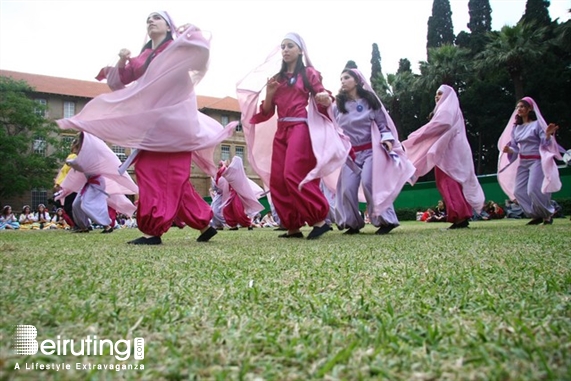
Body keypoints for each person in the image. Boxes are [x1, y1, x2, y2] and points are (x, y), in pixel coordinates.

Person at [58, 11, 235, 245]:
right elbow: (117, 82)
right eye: (148, 19)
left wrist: (189, 35)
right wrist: (122, 61)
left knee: (154, 170)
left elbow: (200, 59)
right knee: (173, 178)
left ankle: (153, 231)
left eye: (157, 18)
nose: (151, 21)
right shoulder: (144, 56)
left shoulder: (177, 47)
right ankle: (204, 223)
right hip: (155, 122)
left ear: (168, 26)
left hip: (174, 121)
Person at [235, 32, 351, 240]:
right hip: (281, 131)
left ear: (300, 50)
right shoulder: (277, 79)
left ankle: (319, 220)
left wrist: (324, 97)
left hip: (300, 127)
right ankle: (292, 226)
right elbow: (267, 112)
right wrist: (269, 93)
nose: (286, 50)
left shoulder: (308, 73)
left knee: (293, 174)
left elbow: (322, 95)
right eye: (283, 46)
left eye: (290, 46)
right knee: (278, 179)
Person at [333, 68, 415, 235]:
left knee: (370, 182)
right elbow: (331, 128)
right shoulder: (337, 106)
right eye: (341, 78)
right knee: (347, 188)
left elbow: (382, 125)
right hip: (350, 155)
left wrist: (387, 139)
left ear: (357, 81)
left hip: (371, 151)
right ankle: (352, 224)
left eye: (346, 77)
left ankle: (386, 221)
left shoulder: (370, 102)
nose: (342, 81)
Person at [402, 85, 485, 229]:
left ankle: (459, 217)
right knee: (453, 183)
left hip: (448, 153)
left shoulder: (447, 109)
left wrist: (416, 136)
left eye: (440, 94)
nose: (436, 96)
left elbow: (441, 124)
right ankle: (461, 216)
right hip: (451, 152)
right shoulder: (451, 109)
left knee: (448, 183)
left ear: (448, 96)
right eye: (436, 94)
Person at [55, 132, 138, 234]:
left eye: (76, 148)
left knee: (88, 204)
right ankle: (83, 226)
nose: (74, 151)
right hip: (90, 183)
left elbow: (82, 166)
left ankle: (107, 225)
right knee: (76, 204)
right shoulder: (80, 157)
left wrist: (72, 161)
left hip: (97, 183)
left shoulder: (89, 156)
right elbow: (74, 177)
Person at [498, 97, 563, 225]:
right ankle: (535, 214)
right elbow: (516, 148)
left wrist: (548, 134)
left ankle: (547, 214)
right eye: (518, 107)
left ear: (529, 109)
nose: (519, 109)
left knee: (533, 189)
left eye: (522, 106)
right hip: (523, 162)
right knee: (518, 191)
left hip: (536, 161)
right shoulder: (516, 128)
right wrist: (509, 150)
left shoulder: (537, 124)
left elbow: (545, 143)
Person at [218, 156, 265, 231]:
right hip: (231, 194)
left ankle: (248, 223)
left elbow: (224, 172)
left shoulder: (237, 175)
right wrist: (223, 165)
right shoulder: (233, 173)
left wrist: (223, 165)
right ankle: (233, 225)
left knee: (238, 210)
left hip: (238, 195)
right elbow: (222, 173)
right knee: (227, 209)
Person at [54, 138, 80, 228]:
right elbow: (63, 172)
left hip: (71, 187)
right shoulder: (74, 157)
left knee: (69, 207)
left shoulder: (73, 156)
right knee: (72, 206)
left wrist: (58, 183)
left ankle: (79, 225)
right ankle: (80, 225)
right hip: (72, 186)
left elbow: (65, 171)